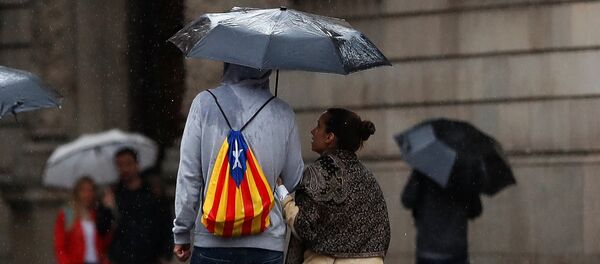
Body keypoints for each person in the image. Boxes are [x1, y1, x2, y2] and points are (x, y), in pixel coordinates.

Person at [172, 63, 304, 263]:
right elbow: (293, 179)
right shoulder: (282, 111)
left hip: (212, 242)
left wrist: (182, 231)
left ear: (228, 64)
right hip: (265, 244)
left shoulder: (204, 103)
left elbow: (189, 176)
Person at [276, 108, 391, 264]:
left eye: (318, 127)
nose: (312, 131)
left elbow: (304, 227)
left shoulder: (318, 173)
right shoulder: (368, 179)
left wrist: (282, 194)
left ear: (330, 137)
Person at [401, 168, 482, 264]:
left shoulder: (424, 167)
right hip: (456, 248)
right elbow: (475, 210)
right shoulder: (464, 169)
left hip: (428, 247)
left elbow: (407, 200)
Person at [103, 147, 167, 264]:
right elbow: (103, 228)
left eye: (128, 163)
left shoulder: (152, 192)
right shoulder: (114, 194)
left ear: (136, 164)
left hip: (150, 257)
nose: (124, 168)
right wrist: (107, 208)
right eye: (120, 165)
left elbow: (165, 223)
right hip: (121, 258)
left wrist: (164, 253)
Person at [54, 176, 111, 264]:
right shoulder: (68, 214)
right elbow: (60, 247)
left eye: (90, 190)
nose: (87, 194)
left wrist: (107, 212)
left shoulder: (97, 214)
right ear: (77, 192)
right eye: (83, 190)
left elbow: (106, 243)